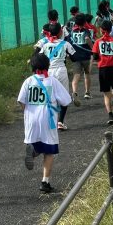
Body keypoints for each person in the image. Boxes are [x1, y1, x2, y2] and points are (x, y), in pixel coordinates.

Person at [17, 53, 71, 193]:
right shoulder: (52, 81)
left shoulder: (28, 81)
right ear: (47, 66)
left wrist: (29, 111)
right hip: (48, 120)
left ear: (32, 67)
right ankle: (45, 182)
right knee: (49, 151)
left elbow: (21, 101)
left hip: (31, 120)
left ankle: (34, 151)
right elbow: (66, 100)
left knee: (36, 143)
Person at [39, 22, 75, 130]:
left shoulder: (45, 45)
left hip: (49, 73)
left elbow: (41, 58)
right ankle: (60, 122)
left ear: (49, 33)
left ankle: (48, 121)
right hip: (61, 72)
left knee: (49, 97)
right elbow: (74, 58)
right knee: (64, 96)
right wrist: (66, 56)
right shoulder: (65, 44)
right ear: (61, 32)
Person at [92, 20, 113, 125]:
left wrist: (98, 58)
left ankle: (110, 115)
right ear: (111, 30)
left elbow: (95, 56)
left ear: (101, 30)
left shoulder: (97, 42)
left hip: (103, 68)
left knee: (106, 93)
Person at [68, 12, 93, 105]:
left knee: (76, 75)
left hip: (75, 56)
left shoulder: (72, 31)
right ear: (84, 21)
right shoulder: (86, 30)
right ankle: (87, 92)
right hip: (85, 55)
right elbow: (87, 38)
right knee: (87, 74)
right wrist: (92, 48)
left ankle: (74, 92)